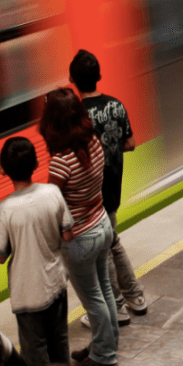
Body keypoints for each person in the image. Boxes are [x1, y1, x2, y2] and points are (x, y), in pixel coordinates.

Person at [40, 87, 118, 366]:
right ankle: (104, 345)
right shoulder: (93, 142)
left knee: (93, 298)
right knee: (104, 290)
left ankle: (104, 355)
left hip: (80, 237)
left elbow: (52, 202)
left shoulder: (61, 161)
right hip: (101, 224)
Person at [69, 50, 147, 329]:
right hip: (114, 184)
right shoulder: (116, 105)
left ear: (72, 80)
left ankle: (118, 307)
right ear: (99, 76)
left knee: (106, 246)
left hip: (91, 192)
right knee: (112, 240)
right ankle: (135, 298)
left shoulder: (78, 115)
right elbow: (130, 143)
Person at [0, 137, 73, 366]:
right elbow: (67, 234)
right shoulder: (53, 192)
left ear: (3, 169)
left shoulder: (4, 209)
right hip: (56, 281)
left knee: (35, 351)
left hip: (27, 291)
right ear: (36, 163)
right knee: (60, 340)